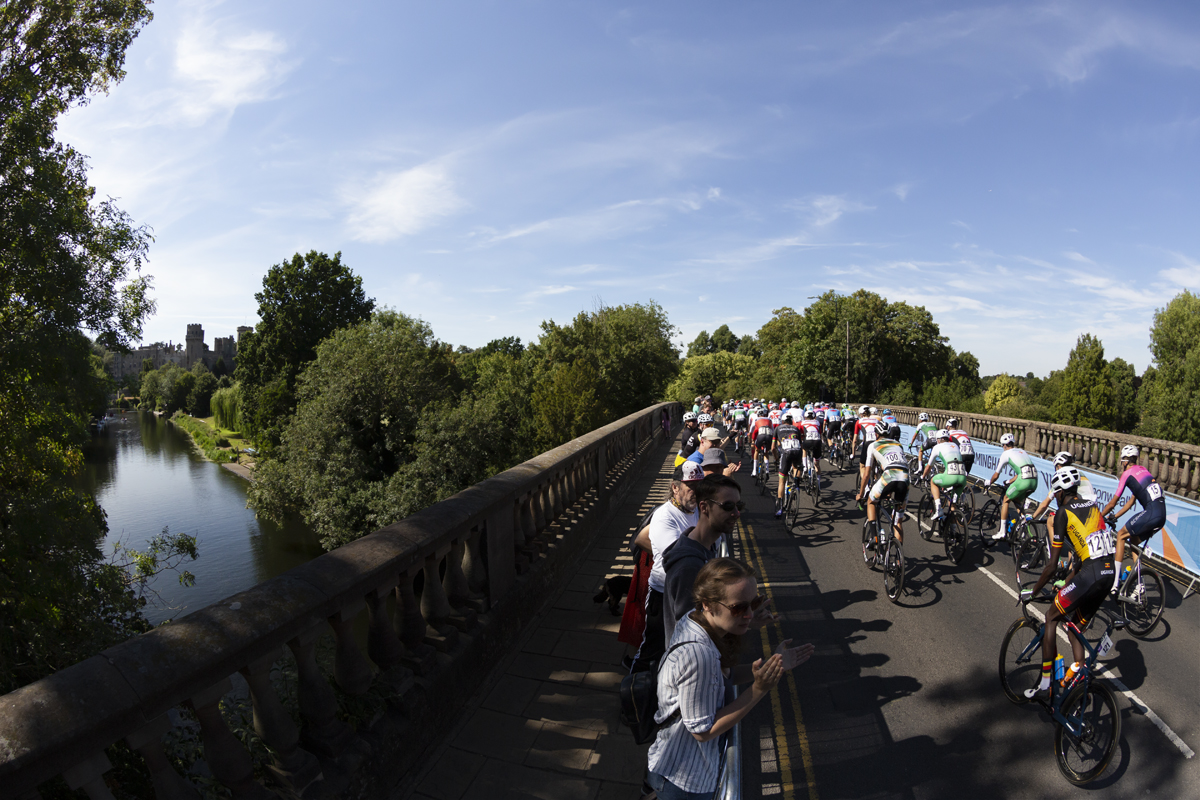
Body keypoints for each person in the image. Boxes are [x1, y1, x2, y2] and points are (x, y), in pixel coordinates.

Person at [647, 558, 814, 799]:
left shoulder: (697, 622)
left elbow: (728, 674)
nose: (749, 615)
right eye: (738, 608)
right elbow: (702, 731)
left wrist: (771, 666)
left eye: (753, 604)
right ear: (708, 604)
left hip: (679, 768)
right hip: (684, 780)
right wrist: (759, 689)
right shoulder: (699, 655)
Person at [1020, 467, 1116, 699]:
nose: (1056, 495)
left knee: (1051, 616)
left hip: (1091, 574)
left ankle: (1045, 684)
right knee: (1075, 625)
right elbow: (1086, 558)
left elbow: (1052, 566)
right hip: (1108, 573)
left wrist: (1034, 591)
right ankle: (1078, 669)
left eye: (1056, 491)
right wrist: (1067, 583)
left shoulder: (1063, 512)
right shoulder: (1093, 508)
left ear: (1062, 492)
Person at [630, 461, 705, 673]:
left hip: (688, 592)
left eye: (700, 486)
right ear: (675, 487)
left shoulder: (696, 510)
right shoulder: (665, 516)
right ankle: (632, 690)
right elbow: (676, 559)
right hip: (663, 595)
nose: (696, 492)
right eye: (692, 487)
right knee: (650, 649)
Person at [1101, 445, 1167, 593]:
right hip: (1161, 516)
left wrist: (1100, 516)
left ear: (1125, 461)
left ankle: (1115, 584)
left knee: (1120, 535)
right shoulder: (1144, 471)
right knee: (1134, 542)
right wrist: (1114, 517)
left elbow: (1113, 503)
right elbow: (1131, 503)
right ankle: (1140, 585)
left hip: (1151, 513)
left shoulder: (1127, 474)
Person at [855, 423, 909, 545]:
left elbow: (867, 473)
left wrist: (861, 493)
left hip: (889, 476)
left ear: (876, 434)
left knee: (871, 501)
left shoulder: (873, 445)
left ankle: (874, 537)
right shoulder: (898, 444)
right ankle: (898, 558)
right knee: (898, 521)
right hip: (905, 478)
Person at [984, 433, 1039, 541]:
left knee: (1006, 499)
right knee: (1016, 499)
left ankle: (1002, 531)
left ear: (1004, 445)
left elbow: (996, 474)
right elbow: (1021, 472)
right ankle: (1023, 525)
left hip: (1023, 481)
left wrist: (989, 482)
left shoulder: (1006, 454)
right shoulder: (1022, 451)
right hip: (1034, 481)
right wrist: (1009, 481)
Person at [922, 429, 966, 521]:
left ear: (938, 440)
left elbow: (928, 467)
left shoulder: (937, 447)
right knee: (953, 506)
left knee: (933, 481)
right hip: (962, 478)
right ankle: (953, 530)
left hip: (950, 477)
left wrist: (923, 476)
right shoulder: (955, 445)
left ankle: (938, 510)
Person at [772, 411, 803, 517]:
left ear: (783, 421)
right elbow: (800, 443)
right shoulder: (796, 429)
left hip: (786, 452)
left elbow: (773, 448)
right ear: (791, 421)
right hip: (797, 451)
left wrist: (776, 458)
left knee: (781, 481)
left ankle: (779, 508)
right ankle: (796, 485)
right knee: (796, 467)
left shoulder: (778, 428)